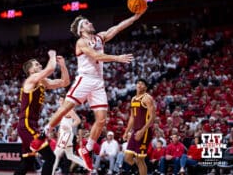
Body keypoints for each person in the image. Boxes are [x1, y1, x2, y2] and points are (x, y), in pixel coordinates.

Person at [46, 12, 145, 170]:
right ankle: (46, 130)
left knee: (101, 120)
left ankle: (86, 149)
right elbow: (95, 55)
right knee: (66, 107)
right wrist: (117, 58)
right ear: (81, 30)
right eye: (86, 23)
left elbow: (118, 28)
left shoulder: (100, 37)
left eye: (89, 21)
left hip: (98, 82)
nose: (90, 23)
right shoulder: (81, 42)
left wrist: (134, 18)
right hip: (85, 78)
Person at [14, 50, 70, 175]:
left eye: (40, 64)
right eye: (37, 65)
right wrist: (52, 55)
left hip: (30, 125)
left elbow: (65, 82)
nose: (40, 66)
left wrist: (63, 66)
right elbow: (50, 69)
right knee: (50, 158)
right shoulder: (31, 79)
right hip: (26, 124)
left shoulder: (43, 82)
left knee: (27, 162)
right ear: (31, 70)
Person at [123, 79, 156, 175]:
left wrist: (142, 130)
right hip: (135, 130)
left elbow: (153, 117)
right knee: (128, 158)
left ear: (145, 87)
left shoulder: (147, 98)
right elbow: (132, 117)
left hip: (144, 131)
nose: (139, 85)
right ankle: (140, 172)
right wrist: (126, 131)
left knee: (140, 159)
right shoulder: (133, 99)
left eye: (142, 84)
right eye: (138, 83)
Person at [52, 94, 88, 175]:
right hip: (63, 135)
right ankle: (86, 165)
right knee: (70, 156)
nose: (60, 102)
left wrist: (69, 126)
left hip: (67, 135)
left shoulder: (69, 110)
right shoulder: (60, 110)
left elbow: (78, 120)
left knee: (55, 155)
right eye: (60, 100)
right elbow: (61, 124)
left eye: (62, 100)